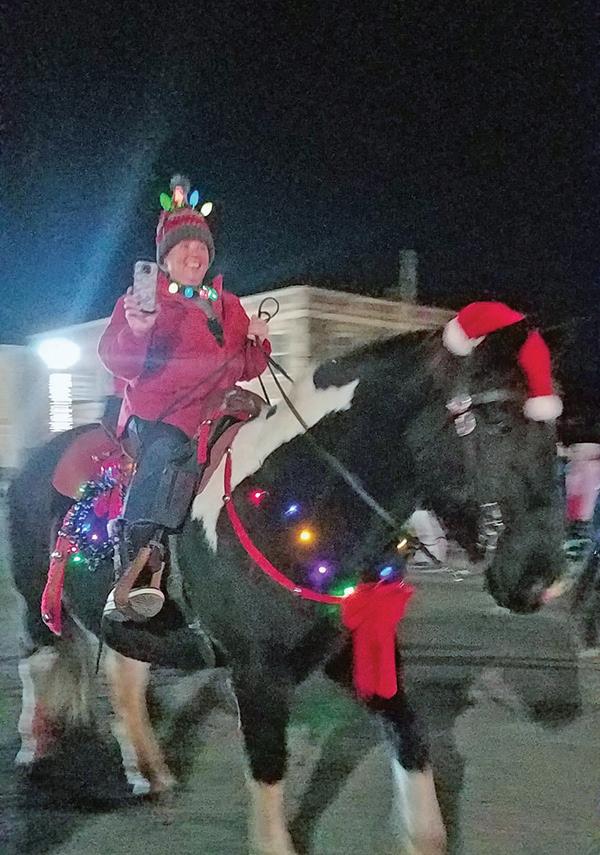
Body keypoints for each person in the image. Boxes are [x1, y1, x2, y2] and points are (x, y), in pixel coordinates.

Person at [98, 176, 271, 621]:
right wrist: (137, 331)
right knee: (166, 456)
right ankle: (137, 568)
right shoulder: (143, 301)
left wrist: (257, 342)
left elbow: (247, 367)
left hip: (223, 410)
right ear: (165, 258)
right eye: (183, 247)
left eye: (201, 247)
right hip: (163, 413)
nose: (195, 254)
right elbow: (118, 361)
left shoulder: (228, 304)